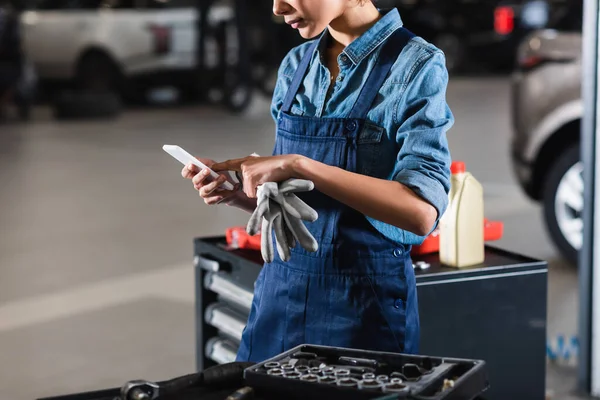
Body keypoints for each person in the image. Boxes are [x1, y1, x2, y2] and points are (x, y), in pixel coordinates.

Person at [182, 0, 453, 362]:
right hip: (277, 305)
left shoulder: (415, 65)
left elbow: (421, 212)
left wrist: (300, 165)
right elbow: (298, 206)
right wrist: (238, 193)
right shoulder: (297, 65)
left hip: (361, 314)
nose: (278, 8)